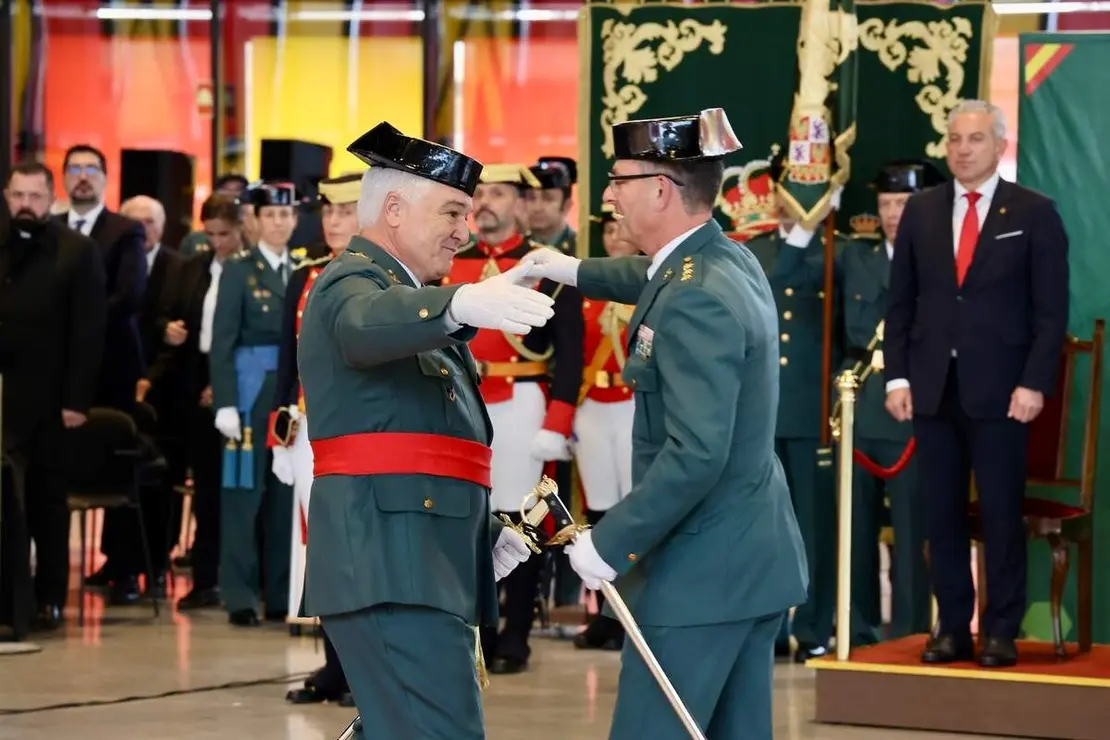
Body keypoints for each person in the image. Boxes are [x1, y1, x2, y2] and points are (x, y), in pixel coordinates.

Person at [520, 108, 808, 740]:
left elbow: (697, 454)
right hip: (746, 562)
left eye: (620, 179)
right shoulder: (722, 260)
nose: (609, 195)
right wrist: (564, 268)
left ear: (659, 189)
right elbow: (648, 277)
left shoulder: (696, 295)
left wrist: (609, 541)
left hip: (700, 573)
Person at [297, 121, 551, 738]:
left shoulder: (413, 300)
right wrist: (460, 304)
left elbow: (418, 446)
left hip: (416, 560)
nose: (465, 233)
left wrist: (480, 534)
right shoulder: (350, 285)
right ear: (392, 207)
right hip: (389, 566)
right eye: (452, 213)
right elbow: (363, 326)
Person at [884, 100, 1069, 668]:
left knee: (998, 514)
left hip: (1003, 393)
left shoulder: (1035, 213)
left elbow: (1051, 310)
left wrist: (1035, 382)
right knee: (938, 515)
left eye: (975, 139)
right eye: (955, 139)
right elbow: (902, 302)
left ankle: (1000, 630)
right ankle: (952, 628)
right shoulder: (922, 211)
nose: (963, 149)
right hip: (932, 388)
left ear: (999, 146)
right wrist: (896, 376)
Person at [446, 163, 584, 675]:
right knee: (469, 517)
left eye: (499, 194)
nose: (485, 203)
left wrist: (558, 421)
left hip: (524, 399)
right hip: (462, 401)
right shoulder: (452, 264)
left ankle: (517, 633)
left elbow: (570, 354)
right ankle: (478, 627)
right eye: (479, 193)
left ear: (522, 205)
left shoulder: (546, 269)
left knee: (520, 520)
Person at [739, 150, 841, 662]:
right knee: (766, 525)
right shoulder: (757, 251)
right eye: (785, 192)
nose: (790, 203)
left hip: (816, 410)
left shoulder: (837, 251)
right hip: (763, 411)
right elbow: (769, 292)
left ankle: (818, 624)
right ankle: (772, 627)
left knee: (816, 525)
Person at [839, 160, 944, 645]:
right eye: (885, 204)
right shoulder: (855, 258)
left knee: (910, 527)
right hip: (860, 402)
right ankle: (858, 627)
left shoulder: (940, 260)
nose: (894, 214)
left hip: (913, 407)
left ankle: (910, 631)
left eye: (903, 203)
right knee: (856, 528)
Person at [0, 161, 107, 630]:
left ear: (51, 198)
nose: (26, 205)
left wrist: (76, 402)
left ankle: (49, 596)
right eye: (18, 196)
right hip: (5, 399)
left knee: (48, 501)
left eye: (35, 197)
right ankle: (11, 600)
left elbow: (89, 331)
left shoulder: (77, 250)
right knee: (8, 504)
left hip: (53, 400)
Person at [270, 173, 362, 706]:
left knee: (354, 549)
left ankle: (359, 670)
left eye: (345, 211)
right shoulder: (305, 274)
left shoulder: (380, 277)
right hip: (309, 430)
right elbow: (288, 360)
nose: (333, 221)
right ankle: (332, 666)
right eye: (328, 211)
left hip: (353, 432)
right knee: (318, 549)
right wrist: (280, 431)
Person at [210, 182, 302, 626]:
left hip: (289, 397)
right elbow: (222, 342)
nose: (279, 223)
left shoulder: (302, 270)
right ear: (255, 220)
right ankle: (240, 595)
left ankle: (282, 593)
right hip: (248, 396)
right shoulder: (238, 269)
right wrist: (225, 402)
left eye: (286, 216)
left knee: (285, 496)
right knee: (243, 498)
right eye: (271, 216)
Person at [160, 195, 246, 611]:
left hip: (239, 381)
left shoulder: (251, 269)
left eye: (224, 235)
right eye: (210, 235)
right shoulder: (193, 266)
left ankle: (244, 578)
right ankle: (206, 577)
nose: (218, 243)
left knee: (239, 488)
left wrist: (225, 384)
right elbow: (168, 313)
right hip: (194, 381)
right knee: (206, 487)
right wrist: (169, 328)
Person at [572, 203, 638, 652]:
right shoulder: (587, 290)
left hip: (633, 403)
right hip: (591, 404)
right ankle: (603, 611)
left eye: (621, 227)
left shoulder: (649, 284)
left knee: (633, 509)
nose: (615, 237)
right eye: (608, 230)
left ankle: (632, 611)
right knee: (599, 512)